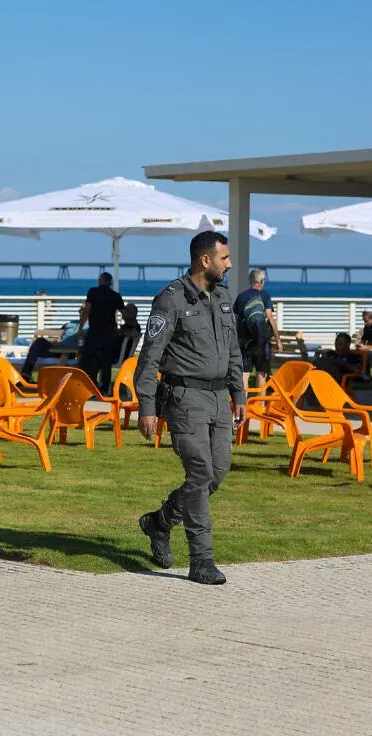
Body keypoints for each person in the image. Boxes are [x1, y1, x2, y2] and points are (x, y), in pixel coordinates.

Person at [134, 231, 245, 586]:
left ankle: (159, 522)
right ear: (205, 260)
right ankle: (202, 561)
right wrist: (147, 406)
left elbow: (233, 352)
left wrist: (239, 394)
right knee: (199, 473)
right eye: (224, 258)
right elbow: (149, 358)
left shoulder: (223, 297)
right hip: (185, 399)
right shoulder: (171, 299)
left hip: (219, 400)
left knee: (217, 473)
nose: (230, 264)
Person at [77, 272, 128, 395]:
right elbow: (124, 313)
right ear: (110, 282)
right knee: (106, 362)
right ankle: (105, 389)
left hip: (95, 331)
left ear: (101, 281)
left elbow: (87, 310)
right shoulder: (115, 295)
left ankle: (88, 386)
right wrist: (126, 326)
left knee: (87, 359)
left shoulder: (93, 292)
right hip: (109, 333)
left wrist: (81, 327)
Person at [233, 269, 278, 389]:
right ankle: (260, 400)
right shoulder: (265, 296)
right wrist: (278, 340)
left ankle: (243, 400)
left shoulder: (241, 297)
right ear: (262, 281)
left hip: (245, 342)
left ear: (250, 280)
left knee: (244, 374)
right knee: (261, 374)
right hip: (262, 342)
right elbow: (270, 318)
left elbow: (235, 320)